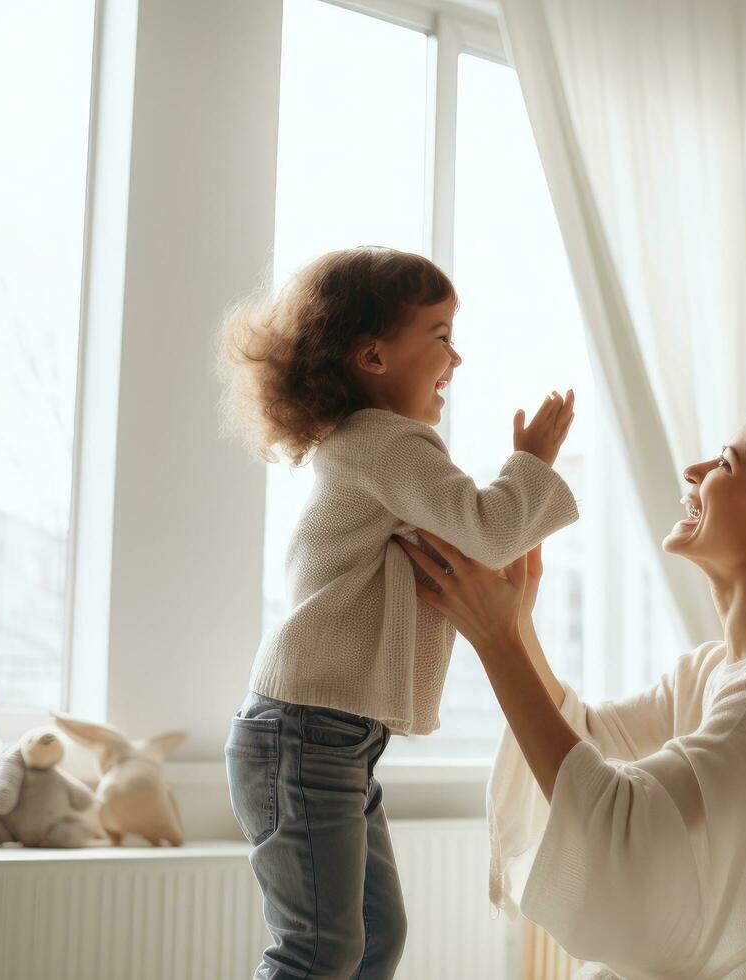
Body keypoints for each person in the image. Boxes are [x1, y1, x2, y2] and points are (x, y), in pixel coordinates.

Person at [397, 406, 746, 979]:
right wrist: (516, 626)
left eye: (724, 462)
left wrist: (498, 643)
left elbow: (618, 819)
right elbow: (591, 740)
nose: (693, 470)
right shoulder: (718, 671)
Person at [218, 245, 579, 979]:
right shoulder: (387, 442)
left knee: (374, 939)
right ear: (374, 357)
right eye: (441, 334)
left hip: (328, 738)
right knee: (320, 950)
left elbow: (464, 541)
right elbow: (487, 525)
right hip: (305, 736)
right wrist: (533, 460)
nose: (458, 356)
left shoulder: (370, 449)